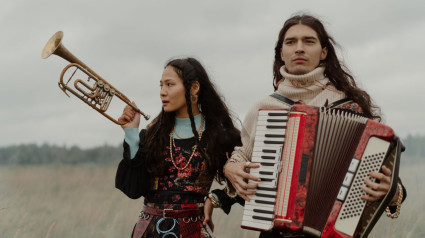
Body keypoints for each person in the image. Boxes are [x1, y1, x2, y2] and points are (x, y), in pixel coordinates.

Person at [219, 14, 407, 237]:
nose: (299, 48)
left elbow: (385, 182)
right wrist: (230, 168)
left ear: (324, 52)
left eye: (309, 41)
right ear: (281, 53)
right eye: (291, 42)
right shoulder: (264, 107)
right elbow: (243, 155)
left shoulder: (350, 108)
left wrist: (390, 191)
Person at [115, 57, 241, 238]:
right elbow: (133, 190)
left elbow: (248, 181)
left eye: (170, 85)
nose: (162, 92)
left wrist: (215, 200)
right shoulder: (152, 134)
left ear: (194, 88)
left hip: (193, 232)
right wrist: (131, 134)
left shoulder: (220, 136)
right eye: (161, 86)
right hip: (149, 231)